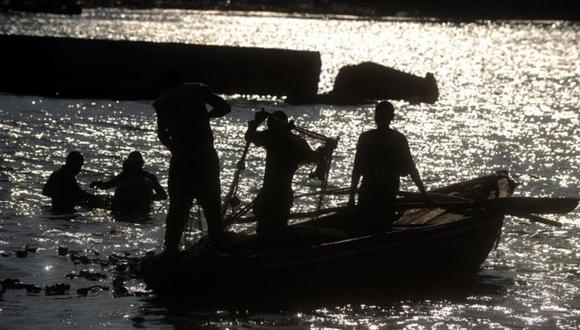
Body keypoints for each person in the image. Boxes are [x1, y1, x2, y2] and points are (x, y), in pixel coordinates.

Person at [153, 67, 231, 252]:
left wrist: (176, 150)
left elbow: (162, 135)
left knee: (178, 207)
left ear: (165, 83)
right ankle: (217, 247)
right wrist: (206, 116)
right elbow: (225, 107)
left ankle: (170, 250)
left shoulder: (162, 101)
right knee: (211, 205)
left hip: (182, 159)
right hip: (206, 156)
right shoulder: (198, 89)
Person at [245, 110, 335, 236]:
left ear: (272, 127)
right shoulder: (295, 142)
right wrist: (328, 148)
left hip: (270, 195)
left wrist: (256, 123)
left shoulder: (271, 138)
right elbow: (314, 157)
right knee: (276, 230)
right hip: (281, 195)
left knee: (265, 231)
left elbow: (250, 136)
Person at [348, 101, 430, 232]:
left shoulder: (367, 138)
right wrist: (425, 196)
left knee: (366, 228)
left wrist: (351, 196)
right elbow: (411, 169)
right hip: (380, 194)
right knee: (381, 228)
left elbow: (357, 169)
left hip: (377, 194)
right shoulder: (397, 139)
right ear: (392, 117)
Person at [90, 151, 167, 215]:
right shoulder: (125, 175)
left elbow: (163, 195)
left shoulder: (149, 178)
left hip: (135, 207)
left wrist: (148, 198)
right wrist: (98, 183)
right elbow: (106, 185)